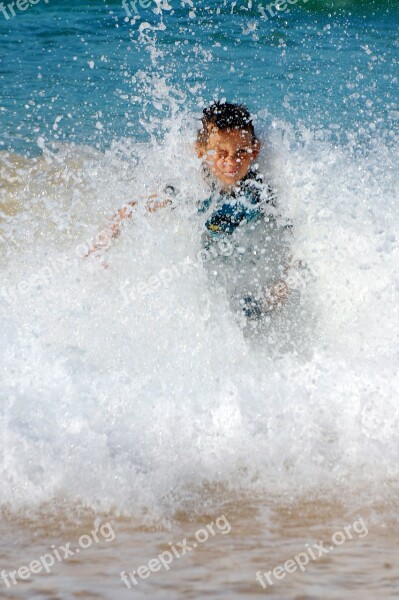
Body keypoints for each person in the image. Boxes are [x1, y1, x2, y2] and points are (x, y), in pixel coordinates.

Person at [87, 101, 293, 319]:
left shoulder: (262, 193)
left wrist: (281, 288)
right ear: (201, 151)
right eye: (221, 153)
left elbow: (293, 237)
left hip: (246, 280)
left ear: (255, 150)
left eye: (241, 151)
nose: (232, 161)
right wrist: (101, 245)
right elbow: (133, 209)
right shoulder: (193, 187)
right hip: (203, 280)